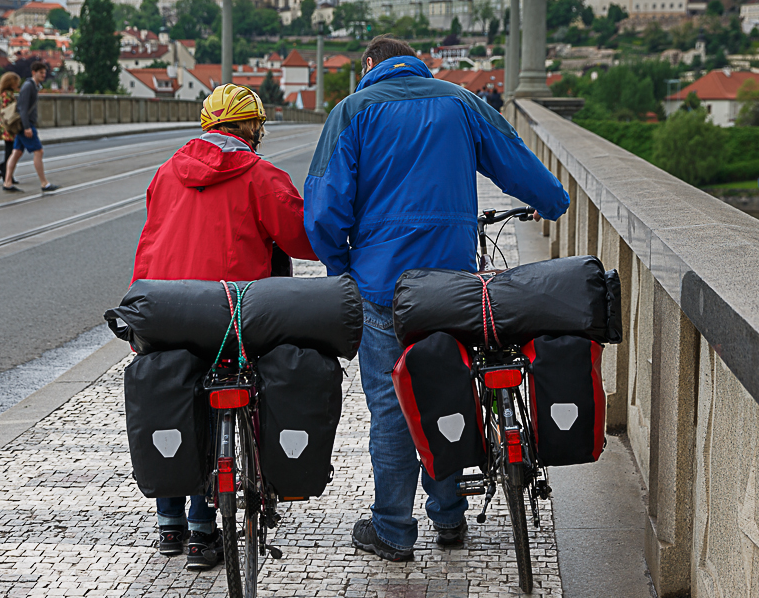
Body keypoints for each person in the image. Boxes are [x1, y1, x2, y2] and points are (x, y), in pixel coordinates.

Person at [304, 35, 569, 562]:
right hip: (452, 286)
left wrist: (343, 268)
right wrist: (552, 201)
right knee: (448, 390)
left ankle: (393, 530)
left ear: (369, 65)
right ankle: (449, 515)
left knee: (392, 408)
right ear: (416, 62)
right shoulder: (460, 101)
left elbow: (323, 211)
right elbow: (514, 161)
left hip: (382, 289)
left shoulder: (352, 111)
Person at [132, 83, 318, 570]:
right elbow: (300, 239)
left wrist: (140, 308)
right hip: (230, 308)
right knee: (225, 395)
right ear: (252, 128)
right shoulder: (259, 174)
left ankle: (168, 522)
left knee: (171, 397)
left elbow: (149, 242)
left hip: (163, 304)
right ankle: (200, 529)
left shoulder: (167, 171)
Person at [3, 61, 58, 193]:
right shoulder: (29, 86)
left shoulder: (34, 86)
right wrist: (27, 127)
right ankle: (44, 183)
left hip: (24, 124)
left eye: (44, 73)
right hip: (25, 125)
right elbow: (22, 108)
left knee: (16, 153)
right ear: (34, 73)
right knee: (38, 152)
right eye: (41, 73)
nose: (43, 75)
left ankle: (7, 182)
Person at [0, 72, 22, 181]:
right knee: (11, 150)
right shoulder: (7, 95)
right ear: (11, 83)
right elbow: (8, 110)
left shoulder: (5, 94)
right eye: (16, 83)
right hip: (8, 125)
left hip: (5, 125)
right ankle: (6, 173)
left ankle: (5, 169)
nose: (17, 86)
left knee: (11, 150)